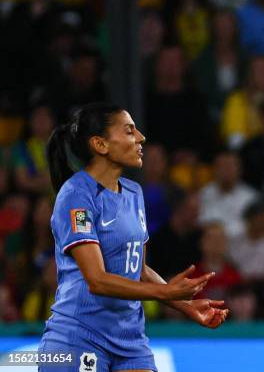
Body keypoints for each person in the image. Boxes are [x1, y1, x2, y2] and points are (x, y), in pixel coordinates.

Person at [40, 103, 228, 372]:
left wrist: (186, 306)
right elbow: (97, 280)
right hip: (78, 337)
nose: (141, 137)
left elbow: (136, 268)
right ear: (101, 144)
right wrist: (166, 290)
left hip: (130, 341)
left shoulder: (133, 192)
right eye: (129, 131)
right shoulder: (75, 196)